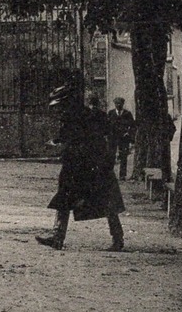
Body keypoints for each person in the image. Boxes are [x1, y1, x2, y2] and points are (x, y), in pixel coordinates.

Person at [37, 87, 125, 252]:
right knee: (65, 199)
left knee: (106, 200)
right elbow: (68, 138)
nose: (58, 110)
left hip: (91, 167)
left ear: (67, 103)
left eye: (60, 105)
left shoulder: (81, 117)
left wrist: (59, 146)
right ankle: (57, 237)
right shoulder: (75, 116)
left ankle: (118, 238)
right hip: (79, 167)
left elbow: (83, 140)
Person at [107, 97, 137, 181]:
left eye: (120, 103)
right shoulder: (111, 113)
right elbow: (107, 125)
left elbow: (133, 126)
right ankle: (110, 175)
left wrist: (128, 133)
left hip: (124, 138)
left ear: (123, 104)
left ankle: (122, 175)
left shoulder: (128, 114)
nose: (118, 105)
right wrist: (108, 134)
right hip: (113, 138)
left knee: (123, 156)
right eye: (116, 103)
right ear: (114, 104)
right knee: (111, 155)